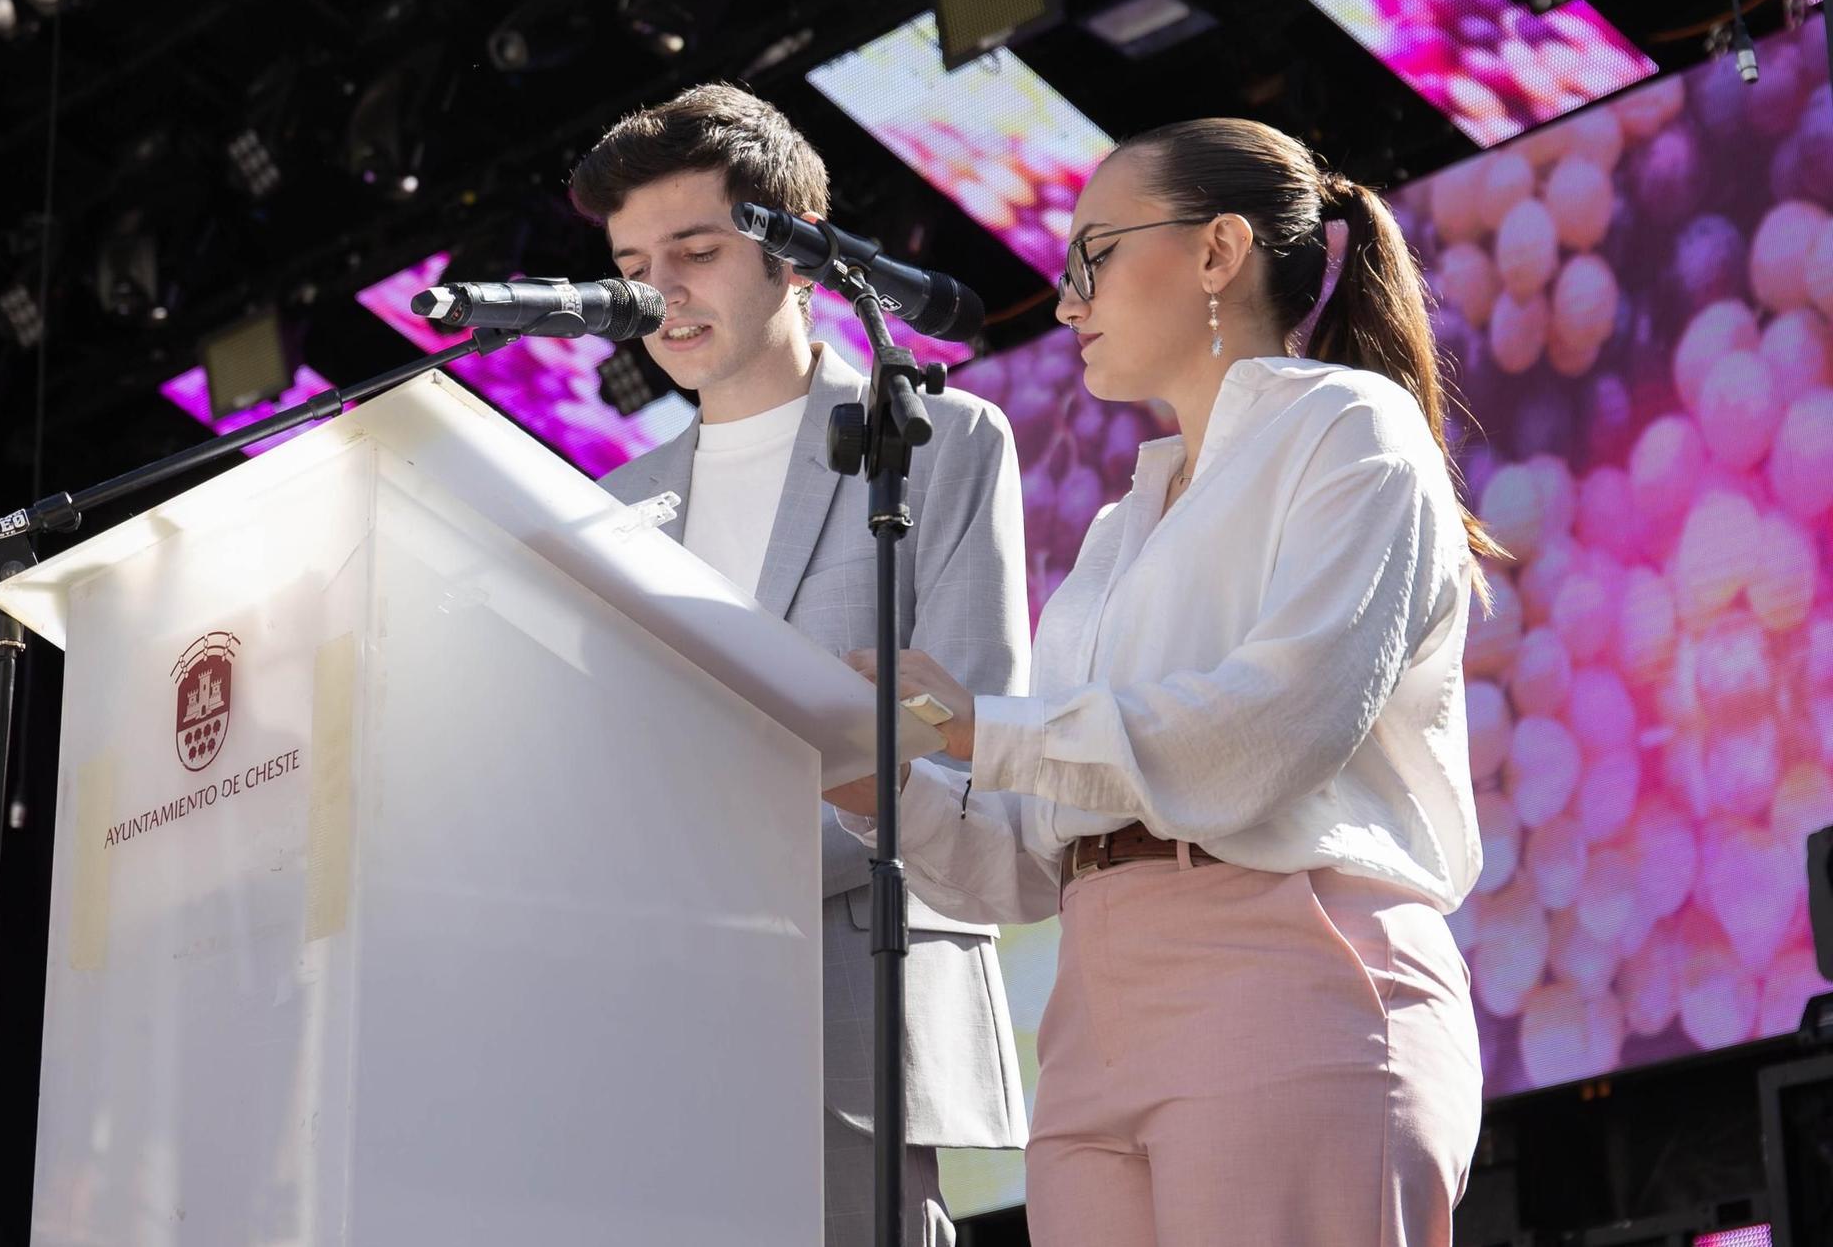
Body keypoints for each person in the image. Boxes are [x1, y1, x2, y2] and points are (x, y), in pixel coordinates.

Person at [835, 116, 1501, 1246]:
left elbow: (1271, 728)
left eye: (1090, 255)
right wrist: (864, 771)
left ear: (1215, 251)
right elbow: (1039, 847)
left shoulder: (1350, 429)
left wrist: (976, 727)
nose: (1063, 301)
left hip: (1288, 969)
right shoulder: (1118, 527)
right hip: (1094, 1016)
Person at [569, 82, 1032, 1247]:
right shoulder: (609, 507)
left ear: (793, 255)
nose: (658, 292)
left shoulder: (940, 441)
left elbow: (976, 749)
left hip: (856, 990)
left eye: (694, 248)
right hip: (652, 1008)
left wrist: (725, 847)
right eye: (632, 262)